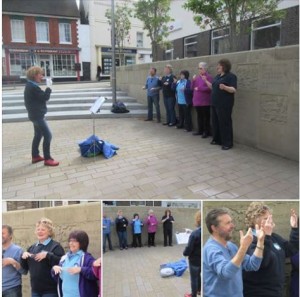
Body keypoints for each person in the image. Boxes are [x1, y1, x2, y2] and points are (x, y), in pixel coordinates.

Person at [203, 208, 268, 297]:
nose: (232, 226)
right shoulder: (211, 249)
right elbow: (226, 273)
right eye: (227, 223)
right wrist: (243, 247)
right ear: (214, 228)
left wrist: (260, 242)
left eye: (231, 222)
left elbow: (253, 265)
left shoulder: (231, 246)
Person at [243, 203, 299, 297]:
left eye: (270, 217)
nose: (270, 221)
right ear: (254, 221)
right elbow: (262, 262)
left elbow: (291, 250)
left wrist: (294, 229)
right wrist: (267, 237)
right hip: (258, 293)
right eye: (265, 218)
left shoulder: (274, 237)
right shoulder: (249, 240)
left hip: (276, 292)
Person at [24, 66, 59, 166]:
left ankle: (35, 156)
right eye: (40, 74)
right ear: (35, 75)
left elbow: (39, 98)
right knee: (48, 135)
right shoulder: (33, 87)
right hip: (38, 116)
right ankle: (48, 159)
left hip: (34, 115)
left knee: (38, 135)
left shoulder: (30, 85)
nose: (42, 76)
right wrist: (49, 87)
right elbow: (45, 97)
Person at [20, 218, 65, 297]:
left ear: (49, 232)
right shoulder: (31, 248)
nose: (40, 231)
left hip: (50, 291)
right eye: (38, 229)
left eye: (43, 230)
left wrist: (48, 255)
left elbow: (62, 263)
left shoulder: (56, 246)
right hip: (35, 291)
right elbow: (25, 268)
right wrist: (23, 257)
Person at [52, 230, 98, 297]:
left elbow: (95, 274)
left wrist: (81, 269)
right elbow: (58, 278)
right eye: (70, 241)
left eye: (74, 241)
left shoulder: (87, 258)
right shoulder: (64, 258)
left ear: (82, 243)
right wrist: (54, 269)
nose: (71, 243)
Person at [205, 59, 237, 150]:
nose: (217, 67)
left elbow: (233, 90)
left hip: (224, 105)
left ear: (225, 66)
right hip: (215, 103)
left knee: (225, 123)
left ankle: (227, 143)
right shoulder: (217, 76)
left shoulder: (231, 76)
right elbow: (212, 87)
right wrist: (205, 81)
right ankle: (217, 139)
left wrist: (225, 87)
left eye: (219, 65)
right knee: (215, 123)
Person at [2, 225, 27, 297]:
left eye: (3, 233)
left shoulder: (18, 250)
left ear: (10, 235)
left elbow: (24, 271)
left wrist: (13, 262)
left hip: (11, 290)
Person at [191, 62, 213, 138]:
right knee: (199, 116)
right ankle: (200, 130)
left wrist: (200, 88)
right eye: (199, 68)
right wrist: (193, 81)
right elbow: (192, 88)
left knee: (206, 117)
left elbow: (210, 89)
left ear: (205, 68)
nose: (199, 70)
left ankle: (206, 131)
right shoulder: (197, 77)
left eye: (201, 68)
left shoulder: (209, 77)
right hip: (197, 101)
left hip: (205, 101)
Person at [183, 211, 201, 297]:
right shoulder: (198, 232)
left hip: (194, 260)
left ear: (198, 220)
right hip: (201, 259)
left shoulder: (195, 234)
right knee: (199, 275)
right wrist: (191, 232)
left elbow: (189, 248)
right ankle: (199, 290)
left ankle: (193, 295)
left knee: (194, 278)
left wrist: (185, 253)